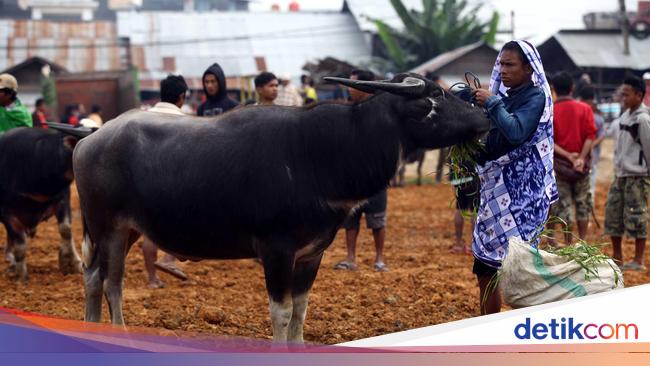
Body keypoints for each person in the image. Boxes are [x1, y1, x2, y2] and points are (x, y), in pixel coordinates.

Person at [471, 41, 557, 314]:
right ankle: (485, 329)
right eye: (501, 64)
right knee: (485, 271)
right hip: (495, 197)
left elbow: (516, 131)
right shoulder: (507, 99)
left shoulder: (535, 99)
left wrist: (493, 102)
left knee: (521, 272)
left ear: (529, 68)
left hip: (523, 199)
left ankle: (528, 331)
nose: (503, 70)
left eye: (510, 65)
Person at [333, 69, 389, 272]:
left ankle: (380, 259)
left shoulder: (382, 112)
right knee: (350, 220)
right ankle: (350, 257)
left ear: (364, 87)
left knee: (378, 220)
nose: (349, 88)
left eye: (352, 84)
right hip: (351, 178)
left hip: (376, 178)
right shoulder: (347, 112)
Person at [142, 74, 190, 288]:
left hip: (141, 181)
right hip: (172, 183)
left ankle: (152, 279)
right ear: (181, 96)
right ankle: (170, 259)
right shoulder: (185, 121)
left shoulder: (143, 117)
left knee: (147, 232)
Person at [605, 76, 650, 272]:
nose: (622, 97)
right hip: (621, 175)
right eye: (622, 93)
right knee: (613, 214)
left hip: (637, 177)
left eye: (626, 94)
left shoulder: (643, 119)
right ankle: (618, 258)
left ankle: (638, 260)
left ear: (639, 95)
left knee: (637, 215)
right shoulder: (624, 117)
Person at [547, 72, 597, 245]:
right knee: (583, 204)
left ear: (554, 89)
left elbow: (549, 141)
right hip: (581, 167)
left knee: (564, 205)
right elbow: (591, 136)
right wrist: (580, 158)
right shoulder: (585, 109)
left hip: (560, 167)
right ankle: (581, 242)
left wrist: (567, 156)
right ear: (572, 88)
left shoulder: (551, 111)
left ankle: (568, 243)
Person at [578, 85, 606, 203]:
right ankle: (588, 209)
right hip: (591, 155)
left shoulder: (578, 111)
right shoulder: (598, 116)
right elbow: (602, 135)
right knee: (591, 183)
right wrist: (592, 145)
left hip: (576, 154)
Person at [449, 161, 480, 255]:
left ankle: (458, 244)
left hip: (457, 178)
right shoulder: (473, 146)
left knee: (459, 209)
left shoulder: (453, 146)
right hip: (473, 177)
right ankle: (473, 246)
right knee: (475, 210)